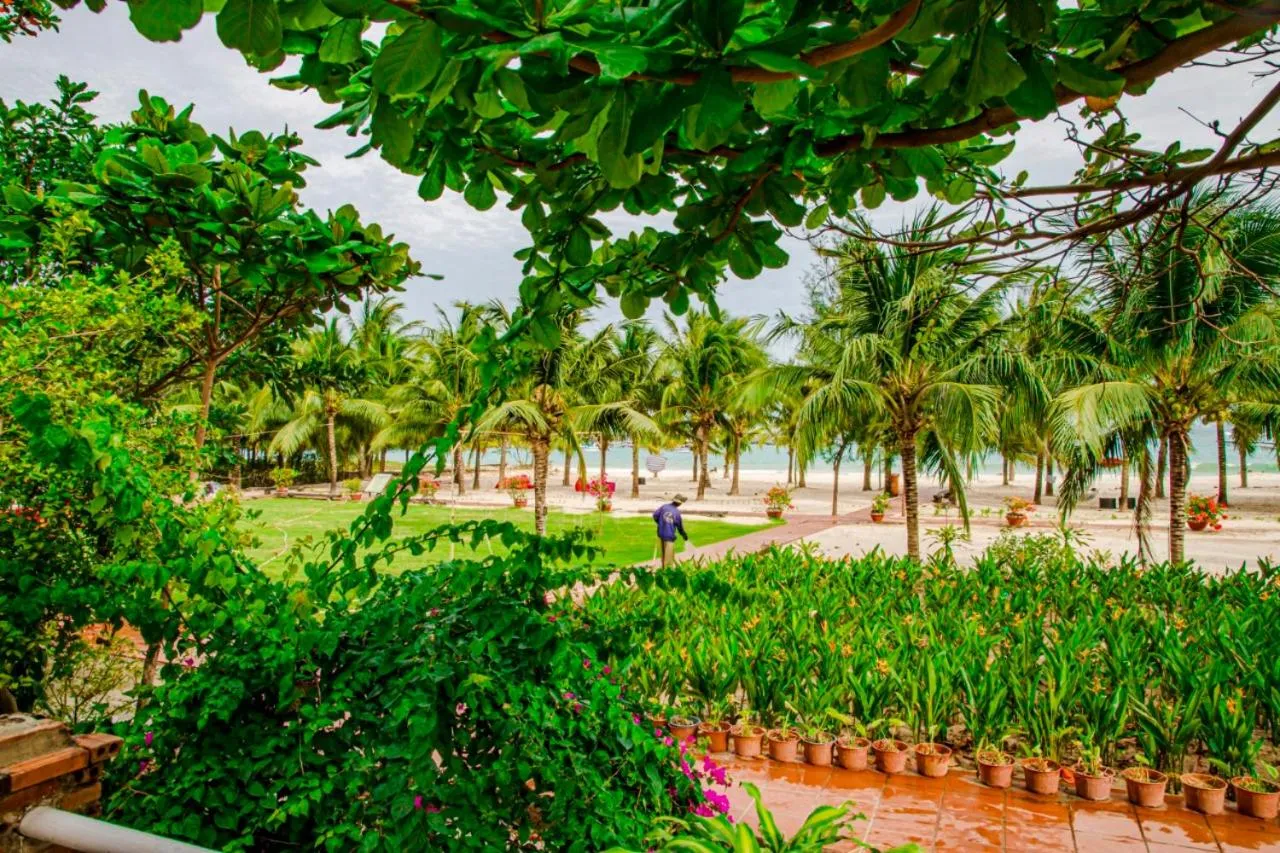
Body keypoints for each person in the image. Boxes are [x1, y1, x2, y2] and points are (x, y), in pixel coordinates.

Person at [653, 494, 690, 568]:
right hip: (669, 537)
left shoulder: (664, 507)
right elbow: (679, 527)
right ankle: (667, 575)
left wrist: (660, 523)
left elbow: (655, 516)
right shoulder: (676, 512)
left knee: (663, 557)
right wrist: (684, 535)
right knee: (669, 560)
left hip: (660, 535)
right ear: (679, 503)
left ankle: (663, 572)